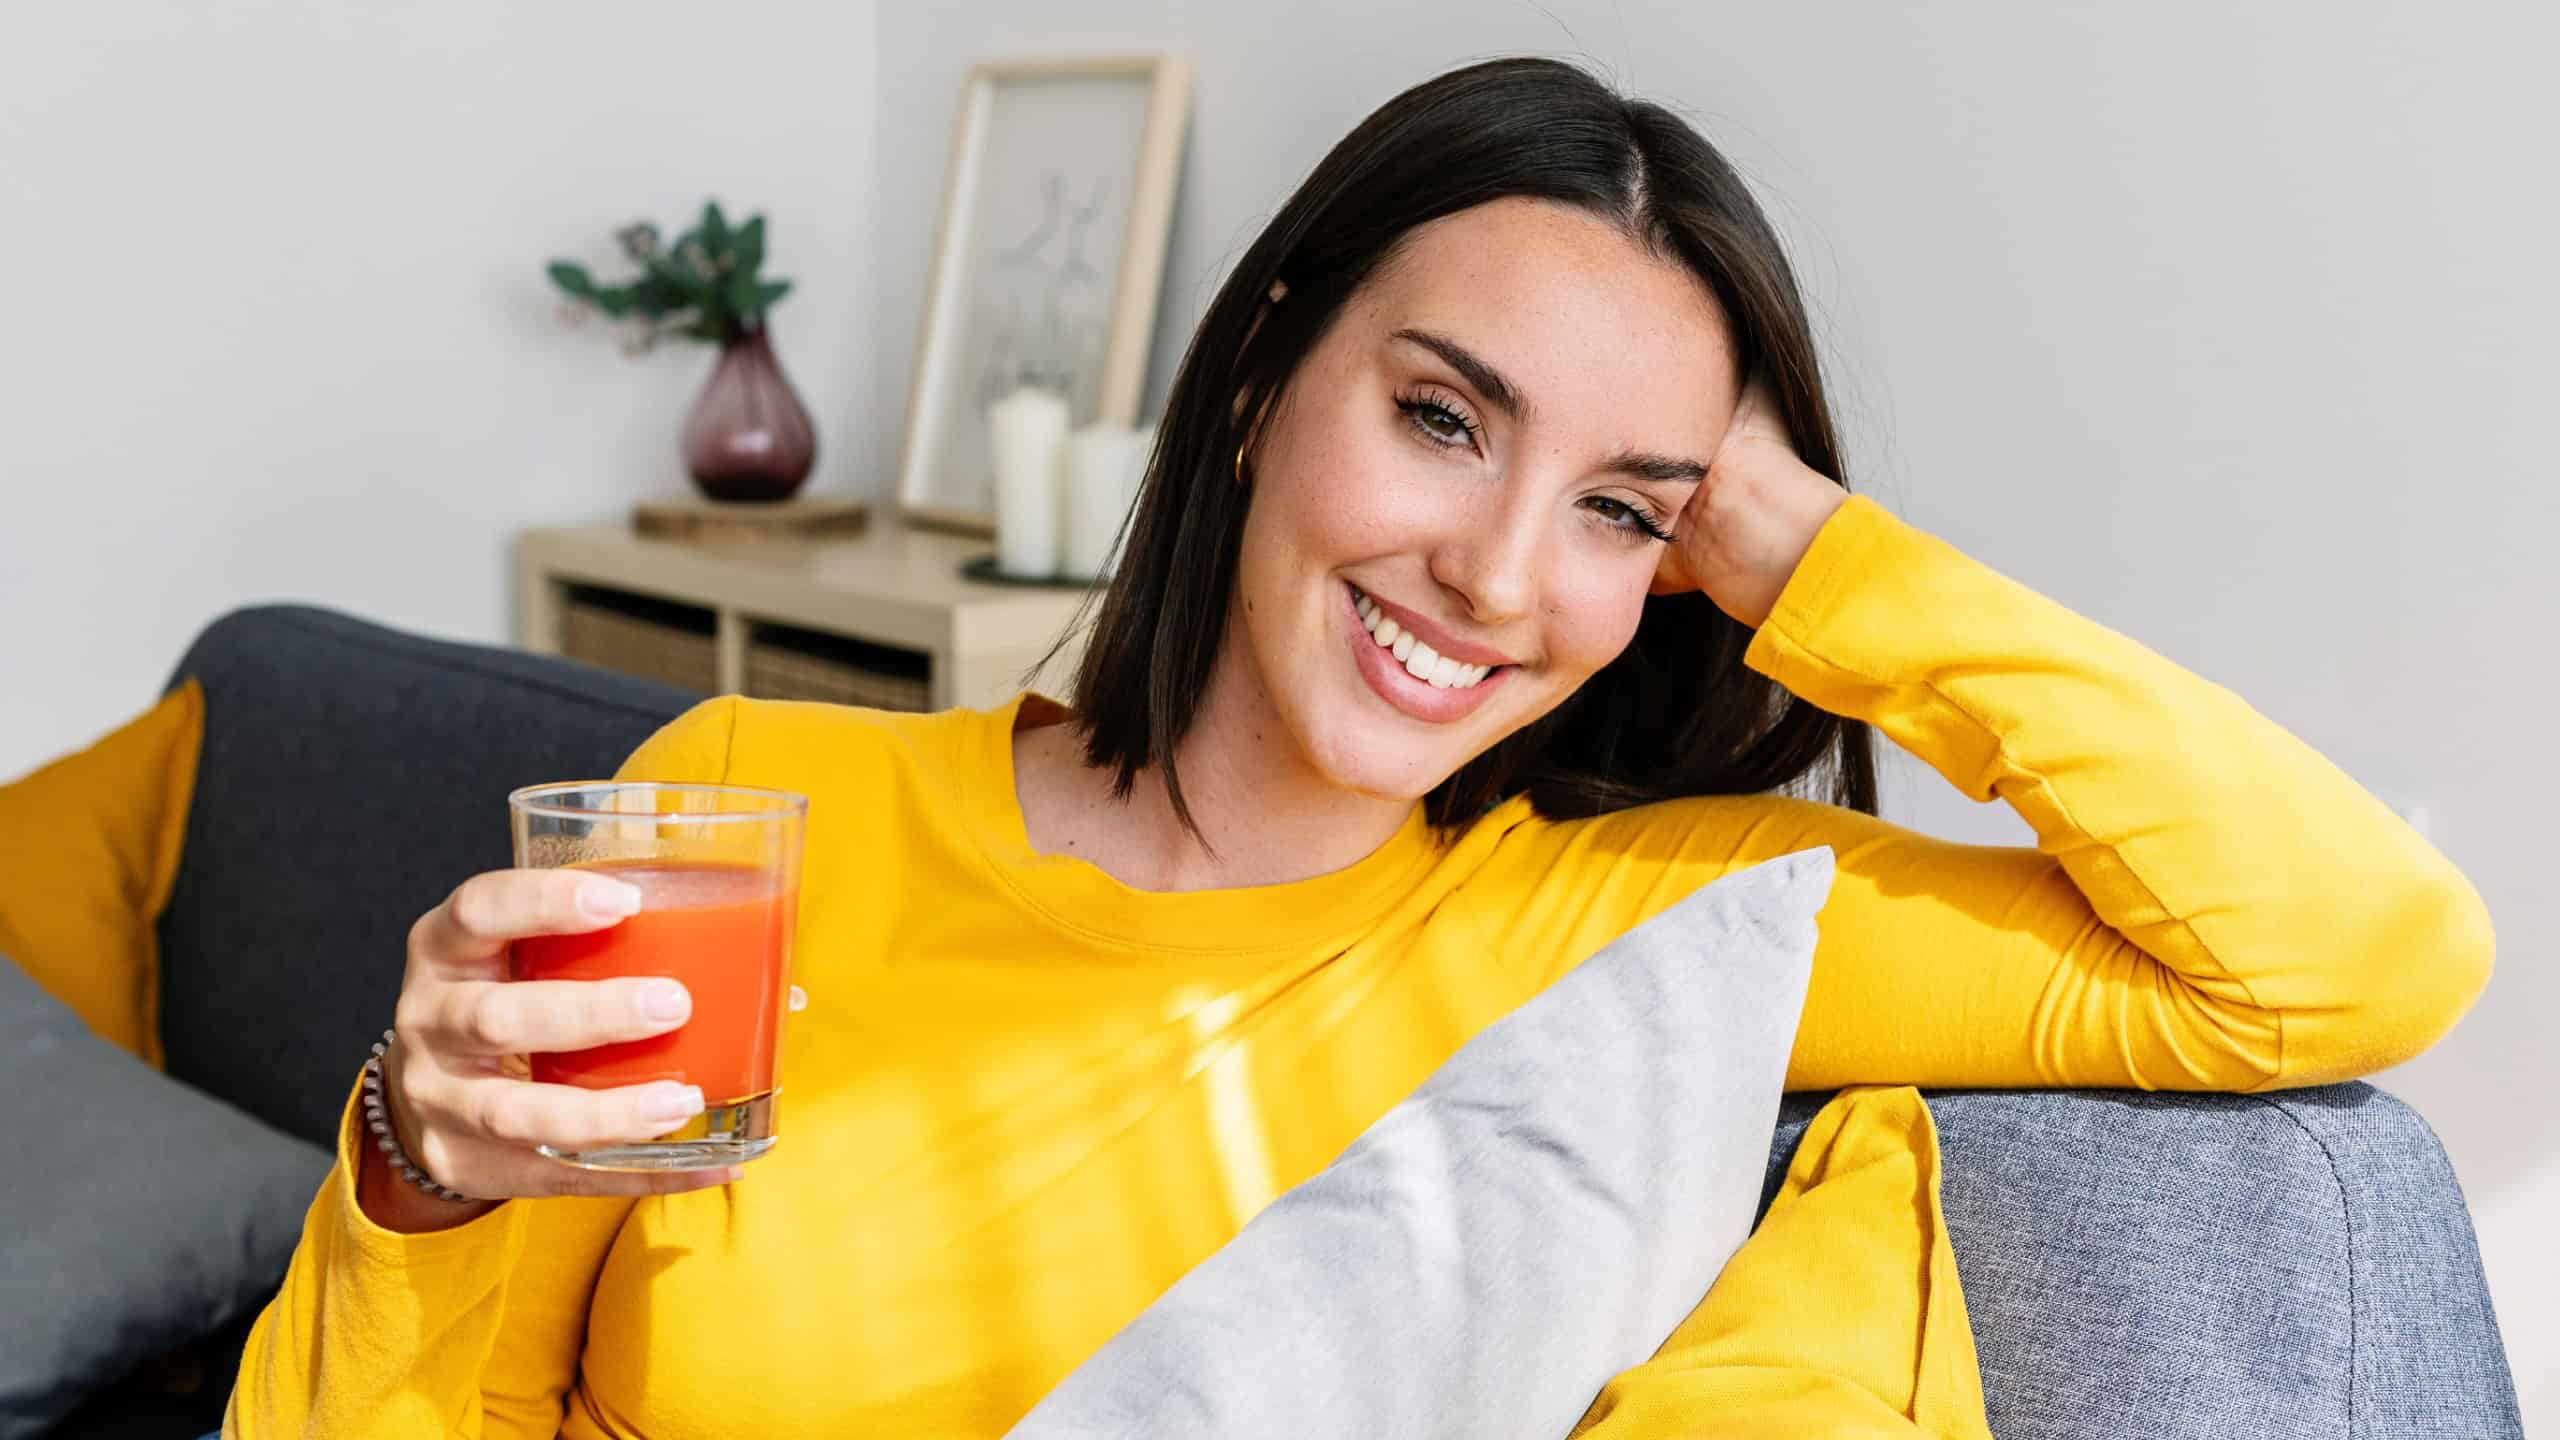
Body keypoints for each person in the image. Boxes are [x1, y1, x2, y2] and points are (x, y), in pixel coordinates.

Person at [220, 55, 2492, 1438]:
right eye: (1438, 419)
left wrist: (1824, 561)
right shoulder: (761, 809)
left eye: (1617, 508)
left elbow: (2341, 957)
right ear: (1252, 380)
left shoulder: (1644, 928)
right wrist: (415, 1177)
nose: (1498, 577)